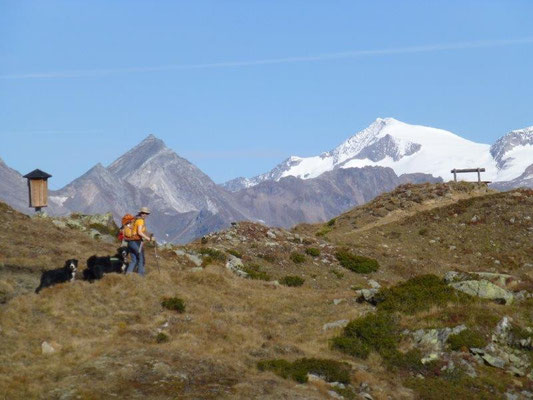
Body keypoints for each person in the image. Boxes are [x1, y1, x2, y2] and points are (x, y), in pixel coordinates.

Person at [126, 207, 154, 276]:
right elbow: (139, 232)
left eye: (146, 213)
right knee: (141, 258)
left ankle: (128, 275)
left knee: (134, 260)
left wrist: (149, 234)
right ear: (141, 213)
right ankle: (141, 276)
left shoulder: (135, 219)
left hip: (130, 242)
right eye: (143, 213)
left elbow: (142, 231)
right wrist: (148, 238)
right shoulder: (140, 221)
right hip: (136, 241)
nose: (145, 215)